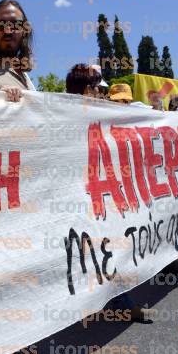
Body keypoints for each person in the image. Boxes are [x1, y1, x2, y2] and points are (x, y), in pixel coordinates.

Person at [65, 63, 156, 321]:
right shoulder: (61, 115)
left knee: (105, 250)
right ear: (85, 89)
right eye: (97, 88)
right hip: (71, 200)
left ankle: (119, 301)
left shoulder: (102, 115)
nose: (101, 94)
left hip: (97, 198)